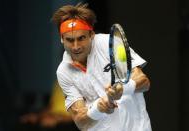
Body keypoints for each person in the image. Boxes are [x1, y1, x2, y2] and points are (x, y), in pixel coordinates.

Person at [52, 3, 152, 131]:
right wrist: (98, 108)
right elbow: (81, 122)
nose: (76, 46)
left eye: (81, 38)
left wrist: (123, 89)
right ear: (62, 39)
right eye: (70, 40)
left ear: (91, 35)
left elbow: (144, 82)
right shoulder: (63, 72)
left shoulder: (109, 43)